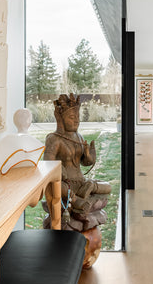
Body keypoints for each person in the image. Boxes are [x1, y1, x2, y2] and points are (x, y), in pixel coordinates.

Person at [44, 93, 110, 231]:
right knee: (56, 187)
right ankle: (75, 200)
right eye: (72, 118)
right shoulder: (54, 139)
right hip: (65, 184)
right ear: (61, 119)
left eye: (78, 118)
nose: (76, 121)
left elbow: (85, 163)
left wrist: (89, 155)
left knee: (108, 186)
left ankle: (91, 186)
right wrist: (60, 170)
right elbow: (47, 165)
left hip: (82, 182)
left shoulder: (78, 136)